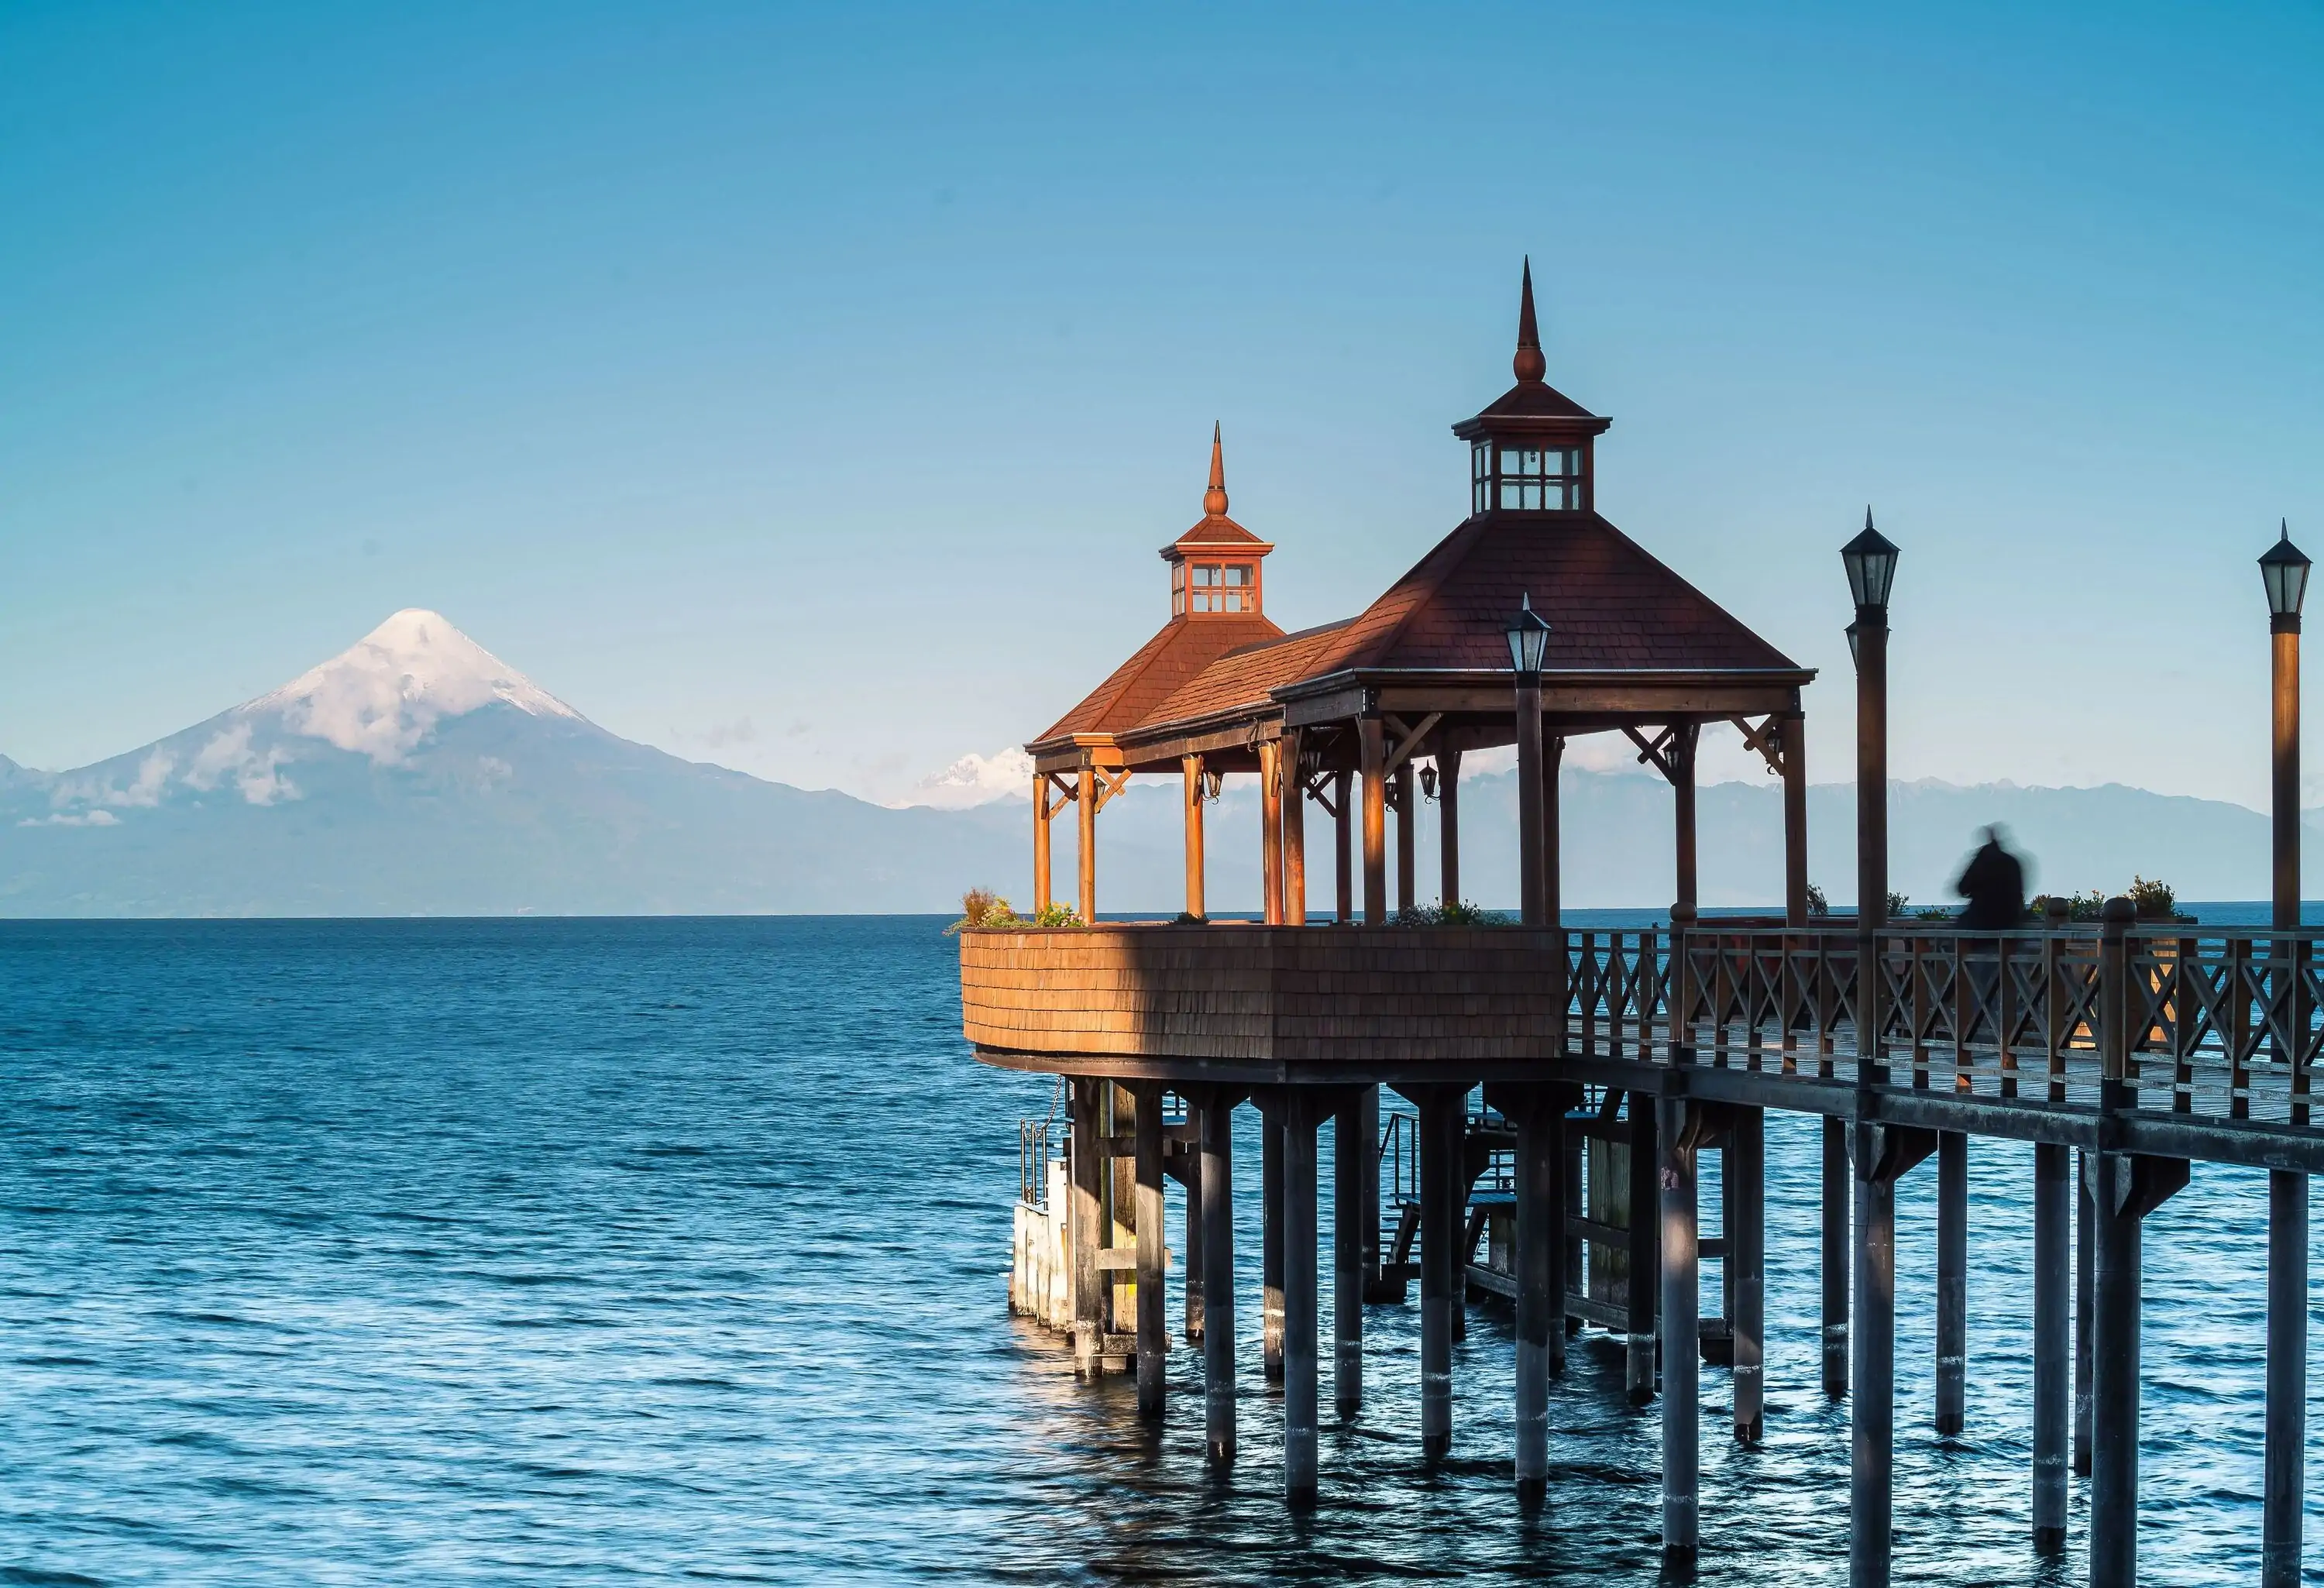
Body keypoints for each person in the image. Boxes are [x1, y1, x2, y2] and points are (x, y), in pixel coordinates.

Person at [1954, 825, 2027, 930]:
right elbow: (2019, 893)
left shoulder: (1981, 861)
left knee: (1960, 931)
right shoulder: (2012, 862)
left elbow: (1962, 888)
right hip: (2010, 921)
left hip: (1981, 920)